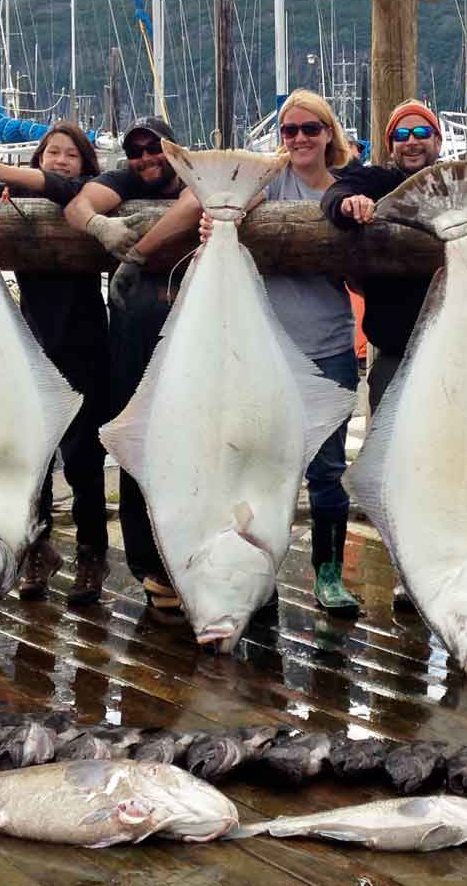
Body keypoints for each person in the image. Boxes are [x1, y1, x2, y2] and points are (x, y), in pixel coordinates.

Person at [145, 89, 367, 613]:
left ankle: (329, 575)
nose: (298, 140)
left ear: (329, 133)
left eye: (310, 129)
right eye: (289, 131)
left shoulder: (348, 187)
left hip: (329, 344)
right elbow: (237, 204)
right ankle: (258, 573)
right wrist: (220, 217)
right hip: (266, 353)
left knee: (327, 470)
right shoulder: (270, 179)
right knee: (260, 467)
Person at [0, 121, 112, 606]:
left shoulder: (89, 196)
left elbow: (67, 190)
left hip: (86, 350)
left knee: (85, 464)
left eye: (72, 154)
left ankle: (92, 557)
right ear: (38, 159)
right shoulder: (13, 195)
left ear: (86, 165)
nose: (62, 160)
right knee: (35, 463)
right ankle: (38, 549)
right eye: (53, 153)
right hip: (34, 347)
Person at [321, 100, 467, 412]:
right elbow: (335, 195)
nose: (412, 141)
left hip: (465, 354)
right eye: (402, 135)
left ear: (438, 141)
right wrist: (347, 204)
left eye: (421, 131)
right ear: (391, 146)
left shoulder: (462, 180)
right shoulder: (375, 182)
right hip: (397, 353)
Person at [64, 116, 186, 619]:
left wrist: (137, 253)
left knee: (189, 448)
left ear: (173, 148)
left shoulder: (194, 177)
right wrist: (98, 224)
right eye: (136, 150)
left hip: (186, 339)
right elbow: (77, 202)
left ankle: (186, 559)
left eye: (155, 147)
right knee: (135, 450)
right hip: (131, 343)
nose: (145, 158)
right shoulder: (124, 182)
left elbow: (202, 201)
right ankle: (147, 566)